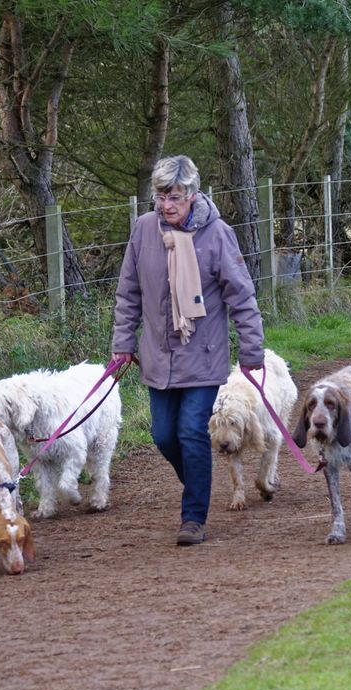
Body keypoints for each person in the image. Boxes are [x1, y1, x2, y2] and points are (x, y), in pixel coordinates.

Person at [112, 155, 265, 546]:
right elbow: (128, 292)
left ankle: (193, 517)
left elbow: (242, 296)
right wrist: (123, 344)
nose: (167, 205)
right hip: (158, 356)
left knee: (191, 432)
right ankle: (198, 484)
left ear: (193, 195)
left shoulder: (217, 235)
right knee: (164, 436)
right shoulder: (143, 230)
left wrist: (251, 351)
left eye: (175, 196)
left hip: (203, 355)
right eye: (161, 196)